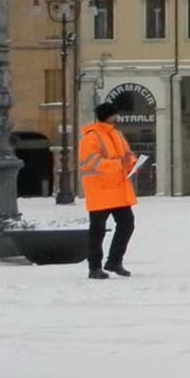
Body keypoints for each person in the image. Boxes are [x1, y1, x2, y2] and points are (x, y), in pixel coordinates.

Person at [80, 100, 139, 278]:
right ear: (108, 116)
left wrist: (133, 163)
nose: (117, 118)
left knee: (127, 224)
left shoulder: (118, 135)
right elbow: (91, 163)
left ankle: (114, 261)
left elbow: (127, 155)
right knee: (97, 230)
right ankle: (94, 267)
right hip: (100, 190)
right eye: (115, 115)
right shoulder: (91, 138)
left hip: (118, 190)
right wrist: (119, 164)